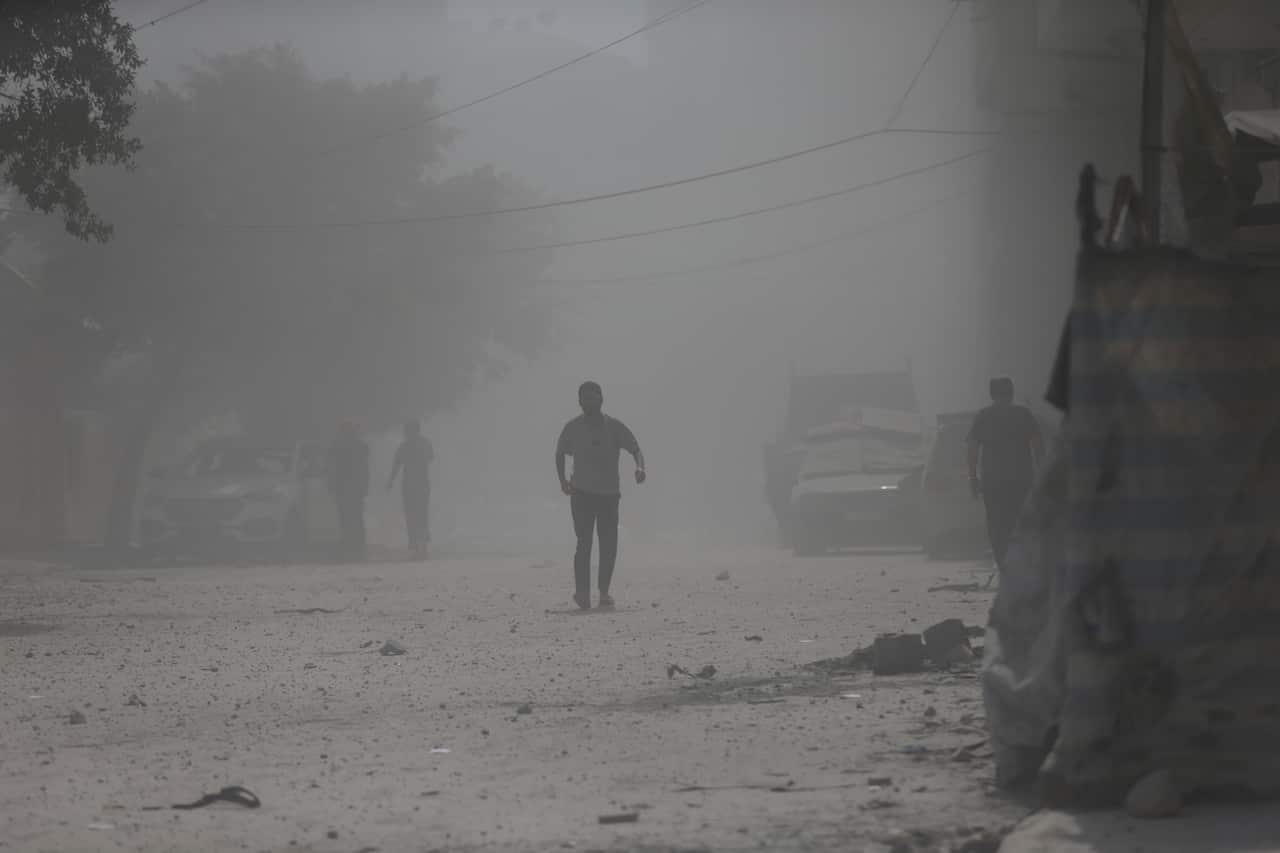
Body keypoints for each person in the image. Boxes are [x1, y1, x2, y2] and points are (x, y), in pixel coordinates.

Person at [555, 381, 645, 610]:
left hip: (608, 495)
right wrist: (563, 480)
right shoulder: (572, 428)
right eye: (585, 399)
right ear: (580, 402)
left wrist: (640, 467)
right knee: (583, 543)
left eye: (594, 398)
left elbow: (635, 448)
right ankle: (583, 593)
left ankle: (604, 592)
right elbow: (559, 452)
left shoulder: (614, 426)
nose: (590, 403)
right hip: (581, 494)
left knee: (608, 544)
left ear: (601, 400)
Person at [967, 377, 1042, 572]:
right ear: (1012, 393)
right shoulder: (1023, 415)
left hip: (993, 482)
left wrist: (973, 478)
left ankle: (1003, 564)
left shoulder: (983, 416)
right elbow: (1037, 445)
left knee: (996, 524)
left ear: (992, 394)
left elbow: (973, 448)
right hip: (1021, 480)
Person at [388, 420, 434, 559]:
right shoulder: (425, 443)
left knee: (411, 515)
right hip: (422, 484)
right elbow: (431, 458)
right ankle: (422, 544)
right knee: (421, 514)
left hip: (409, 485)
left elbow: (397, 464)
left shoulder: (404, 446)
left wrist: (391, 481)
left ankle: (415, 544)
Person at [329, 421, 370, 562]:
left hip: (344, 488)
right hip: (355, 488)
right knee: (356, 517)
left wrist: (332, 484)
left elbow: (332, 467)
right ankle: (357, 547)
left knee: (346, 518)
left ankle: (349, 547)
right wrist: (365, 486)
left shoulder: (336, 446)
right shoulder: (361, 446)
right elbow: (365, 468)